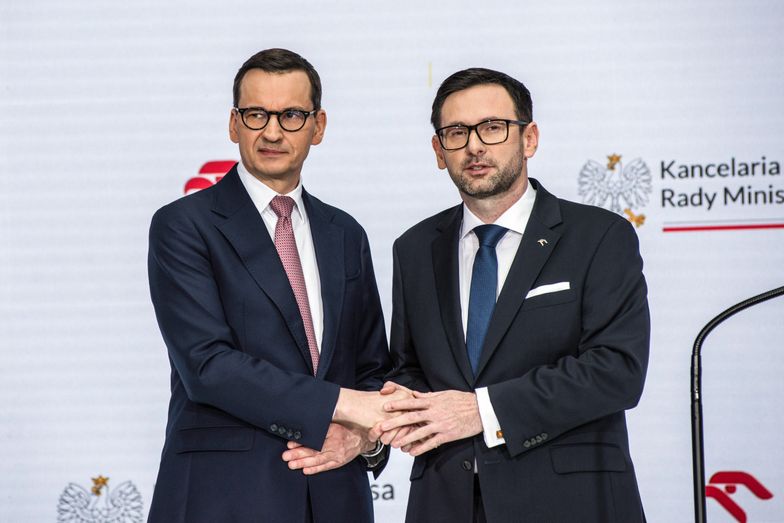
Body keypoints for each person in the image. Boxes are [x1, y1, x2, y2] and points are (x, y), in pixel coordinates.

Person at [375, 68, 650, 522]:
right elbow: (410, 368)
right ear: (439, 152)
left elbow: (617, 371)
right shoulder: (414, 248)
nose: (474, 145)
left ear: (529, 139)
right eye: (456, 132)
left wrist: (483, 410)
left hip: (569, 504)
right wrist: (383, 419)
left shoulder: (599, 237)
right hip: (445, 503)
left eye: (492, 127)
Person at [146, 48, 404, 523]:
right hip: (224, 497)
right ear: (233, 124)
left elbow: (371, 367)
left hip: (336, 497)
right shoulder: (184, 225)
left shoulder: (345, 233)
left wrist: (365, 439)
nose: (271, 131)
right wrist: (346, 405)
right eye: (256, 114)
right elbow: (207, 365)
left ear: (317, 126)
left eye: (290, 115)